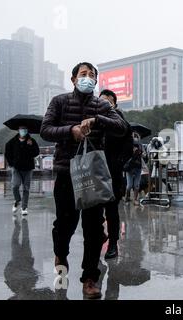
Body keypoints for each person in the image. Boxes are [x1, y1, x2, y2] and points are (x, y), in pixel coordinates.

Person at [40, 62, 127, 299]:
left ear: (96, 81)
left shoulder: (102, 105)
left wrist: (98, 119)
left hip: (93, 174)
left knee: (93, 228)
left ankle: (90, 278)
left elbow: (122, 128)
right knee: (65, 224)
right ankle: (61, 253)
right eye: (83, 74)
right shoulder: (59, 101)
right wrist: (71, 131)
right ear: (73, 79)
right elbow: (45, 129)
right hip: (67, 172)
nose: (88, 78)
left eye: (92, 75)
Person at [100, 89, 134, 260]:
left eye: (109, 101)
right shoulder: (94, 120)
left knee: (112, 210)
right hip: (95, 170)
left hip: (113, 172)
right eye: (102, 100)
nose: (105, 103)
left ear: (114, 104)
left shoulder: (121, 122)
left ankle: (113, 243)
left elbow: (129, 145)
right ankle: (100, 234)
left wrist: (119, 162)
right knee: (92, 208)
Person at [5, 126, 40, 216]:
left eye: (25, 129)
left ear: (27, 130)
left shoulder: (31, 141)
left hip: (28, 168)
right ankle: (17, 200)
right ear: (18, 130)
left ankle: (24, 208)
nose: (23, 131)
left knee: (26, 188)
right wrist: (11, 163)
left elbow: (36, 152)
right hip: (16, 168)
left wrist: (30, 145)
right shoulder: (12, 141)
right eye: (21, 129)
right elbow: (7, 153)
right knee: (15, 186)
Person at [124, 139, 144, 205]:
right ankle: (127, 197)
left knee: (136, 185)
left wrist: (138, 152)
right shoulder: (127, 149)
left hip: (138, 168)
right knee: (129, 185)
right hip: (129, 169)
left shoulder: (140, 148)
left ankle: (135, 199)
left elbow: (143, 155)